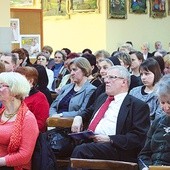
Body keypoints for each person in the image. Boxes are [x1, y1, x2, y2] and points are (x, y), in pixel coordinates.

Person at [71, 65, 150, 163]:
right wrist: (78, 117)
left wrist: (110, 139)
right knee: (54, 143)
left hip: (116, 148)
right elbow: (88, 111)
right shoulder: (103, 97)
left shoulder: (137, 106)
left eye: (112, 77)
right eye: (106, 77)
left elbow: (137, 137)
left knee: (81, 151)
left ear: (124, 82)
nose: (106, 81)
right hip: (89, 140)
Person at [0, 72, 39, 169]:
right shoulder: (2, 112)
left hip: (10, 166)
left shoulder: (28, 118)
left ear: (15, 90)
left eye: (1, 85)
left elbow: (24, 156)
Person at [138, 74, 170, 170]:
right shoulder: (158, 122)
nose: (166, 107)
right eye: (163, 102)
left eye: (169, 102)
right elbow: (143, 155)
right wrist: (145, 168)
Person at [15, 66, 49, 132]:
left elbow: (40, 123)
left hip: (28, 133)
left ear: (30, 81)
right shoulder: (13, 94)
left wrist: (18, 130)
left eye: (20, 80)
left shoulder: (40, 97)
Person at [129, 58, 162, 122]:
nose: (143, 77)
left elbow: (159, 119)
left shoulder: (160, 93)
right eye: (141, 74)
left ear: (155, 73)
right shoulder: (134, 91)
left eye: (147, 74)